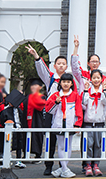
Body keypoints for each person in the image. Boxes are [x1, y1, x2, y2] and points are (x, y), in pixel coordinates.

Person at [27, 44, 74, 176]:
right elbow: (42, 69)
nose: (61, 66)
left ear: (66, 66)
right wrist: (36, 56)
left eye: (63, 64)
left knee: (63, 141)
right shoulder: (51, 78)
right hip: (51, 113)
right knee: (50, 140)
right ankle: (48, 165)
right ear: (55, 66)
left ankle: (62, 166)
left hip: (65, 114)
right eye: (58, 63)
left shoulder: (69, 81)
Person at [45, 73, 83, 178]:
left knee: (68, 146)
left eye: (68, 82)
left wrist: (78, 124)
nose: (66, 84)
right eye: (64, 81)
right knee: (61, 147)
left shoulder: (75, 95)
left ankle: (62, 169)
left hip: (70, 125)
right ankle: (65, 169)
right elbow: (49, 110)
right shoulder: (55, 95)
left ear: (71, 83)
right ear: (60, 83)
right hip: (59, 125)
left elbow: (79, 110)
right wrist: (56, 102)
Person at [82, 70, 106, 177]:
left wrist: (104, 89)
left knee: (98, 145)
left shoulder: (103, 91)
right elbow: (83, 102)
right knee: (88, 145)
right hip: (89, 123)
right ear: (90, 79)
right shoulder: (88, 91)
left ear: (101, 79)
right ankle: (88, 165)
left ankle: (96, 165)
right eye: (94, 78)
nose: (96, 80)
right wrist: (85, 89)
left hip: (99, 123)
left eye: (98, 78)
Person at [0, 89, 27, 169]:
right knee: (8, 145)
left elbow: (22, 118)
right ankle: (8, 160)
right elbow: (2, 120)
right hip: (9, 130)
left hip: (18, 129)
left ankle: (19, 160)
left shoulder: (18, 110)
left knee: (19, 145)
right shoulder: (6, 110)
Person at [22, 78, 46, 161]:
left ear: (40, 87)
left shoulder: (42, 97)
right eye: (32, 85)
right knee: (25, 136)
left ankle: (38, 155)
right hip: (26, 120)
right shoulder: (27, 96)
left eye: (36, 85)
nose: (33, 87)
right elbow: (22, 106)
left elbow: (39, 107)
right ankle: (25, 154)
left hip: (37, 121)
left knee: (36, 137)